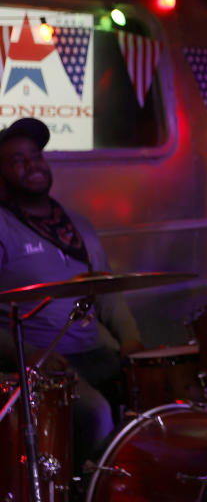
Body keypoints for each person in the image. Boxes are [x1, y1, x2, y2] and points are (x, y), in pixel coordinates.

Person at [0, 117, 142, 469]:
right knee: (95, 413)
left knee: (158, 392)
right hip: (39, 364)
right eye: (18, 160)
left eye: (35, 156)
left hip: (95, 352)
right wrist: (30, 355)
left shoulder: (77, 224)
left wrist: (132, 340)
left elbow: (106, 293)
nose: (31, 164)